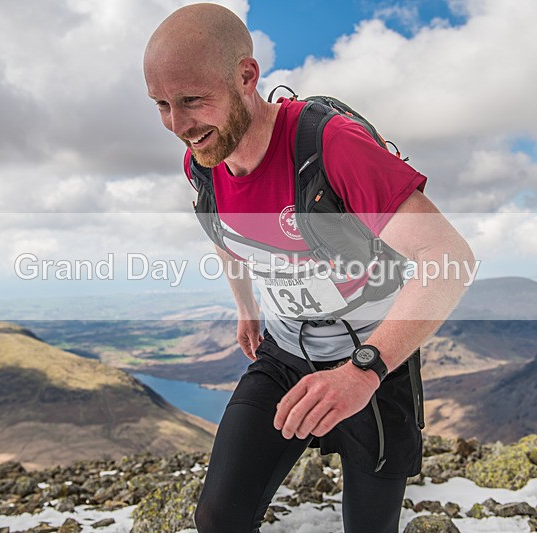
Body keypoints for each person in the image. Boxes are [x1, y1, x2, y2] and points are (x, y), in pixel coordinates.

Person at [143, 4, 474, 532]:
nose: (179, 126)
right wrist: (246, 309)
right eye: (161, 104)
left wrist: (364, 370)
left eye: (191, 101)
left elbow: (449, 260)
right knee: (218, 518)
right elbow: (228, 235)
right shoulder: (204, 160)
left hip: (372, 362)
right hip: (284, 355)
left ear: (246, 76)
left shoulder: (330, 146)